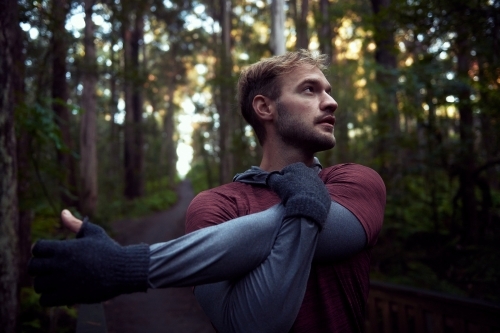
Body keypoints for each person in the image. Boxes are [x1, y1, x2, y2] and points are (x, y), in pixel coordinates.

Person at [28, 50, 385, 332]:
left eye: (328, 91)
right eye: (310, 89)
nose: (330, 101)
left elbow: (334, 231)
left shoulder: (355, 181)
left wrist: (131, 265)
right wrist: (307, 203)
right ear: (264, 107)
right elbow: (248, 325)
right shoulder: (217, 205)